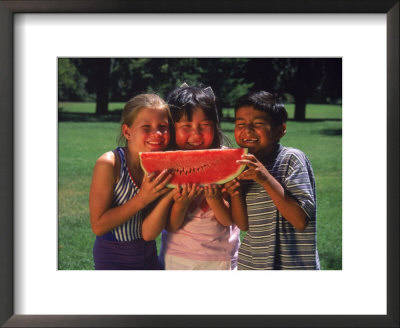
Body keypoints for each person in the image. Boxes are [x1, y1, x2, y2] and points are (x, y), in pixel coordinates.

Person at [224, 91, 320, 270]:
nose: (247, 130)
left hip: (294, 267)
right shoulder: (242, 165)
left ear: (280, 131)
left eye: (258, 124)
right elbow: (244, 225)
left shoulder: (292, 159)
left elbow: (300, 221)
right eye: (240, 124)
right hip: (252, 266)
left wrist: (266, 179)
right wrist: (235, 193)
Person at [89, 93, 176, 270]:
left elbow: (149, 233)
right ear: (127, 132)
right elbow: (98, 226)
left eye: (163, 127)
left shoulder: (162, 167)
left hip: (149, 256)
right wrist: (142, 198)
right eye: (146, 127)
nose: (157, 133)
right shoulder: (109, 163)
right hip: (112, 259)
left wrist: (170, 195)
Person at [159, 83, 240, 270]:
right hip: (177, 256)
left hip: (221, 257)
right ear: (172, 127)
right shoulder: (167, 163)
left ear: (215, 126)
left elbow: (228, 220)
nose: (195, 133)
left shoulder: (226, 159)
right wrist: (181, 202)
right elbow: (171, 225)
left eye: (204, 125)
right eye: (186, 126)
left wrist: (214, 198)